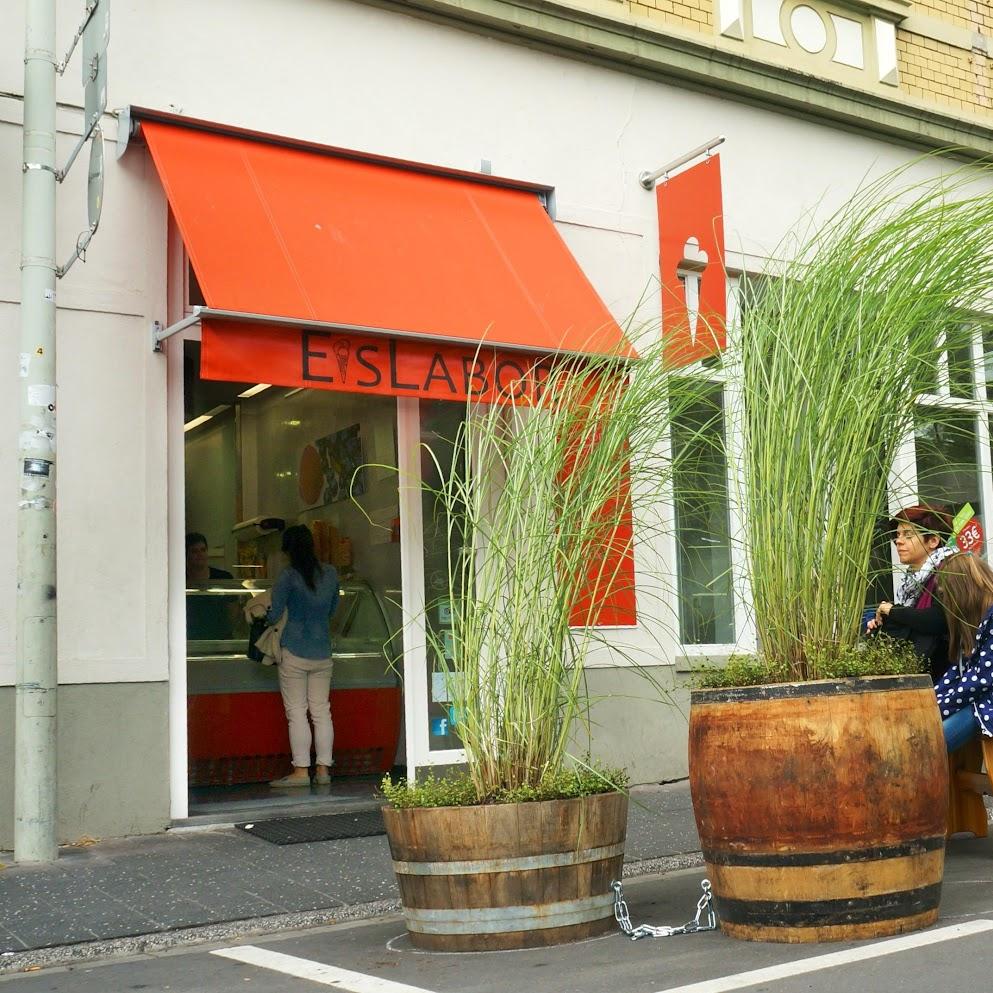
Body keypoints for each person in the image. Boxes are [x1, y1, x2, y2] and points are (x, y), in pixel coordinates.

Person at [267, 524, 340, 787]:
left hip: (295, 651)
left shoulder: (288, 576)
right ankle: (323, 771)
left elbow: (274, 614)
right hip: (323, 651)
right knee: (321, 711)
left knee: (297, 712)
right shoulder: (331, 573)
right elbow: (333, 609)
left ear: (288, 550)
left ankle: (300, 772)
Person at [866, 505, 954, 682]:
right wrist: (882, 625)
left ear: (933, 541)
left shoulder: (950, 570)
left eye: (908, 535)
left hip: (948, 679)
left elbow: (939, 620)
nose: (899, 541)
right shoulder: (913, 581)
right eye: (897, 535)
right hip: (927, 678)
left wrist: (893, 611)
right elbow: (914, 626)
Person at [932, 553, 993, 752]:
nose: (945, 603)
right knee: (928, 737)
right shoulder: (974, 622)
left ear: (961, 592)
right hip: (979, 702)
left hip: (985, 704)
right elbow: (958, 674)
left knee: (931, 745)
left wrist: (937, 708)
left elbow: (981, 679)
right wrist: (929, 703)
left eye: (946, 596)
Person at [185, 531, 237, 640]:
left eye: (203, 550)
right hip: (191, 641)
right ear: (186, 554)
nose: (200, 555)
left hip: (221, 639)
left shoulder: (224, 578)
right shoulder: (180, 580)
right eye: (194, 551)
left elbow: (233, 612)